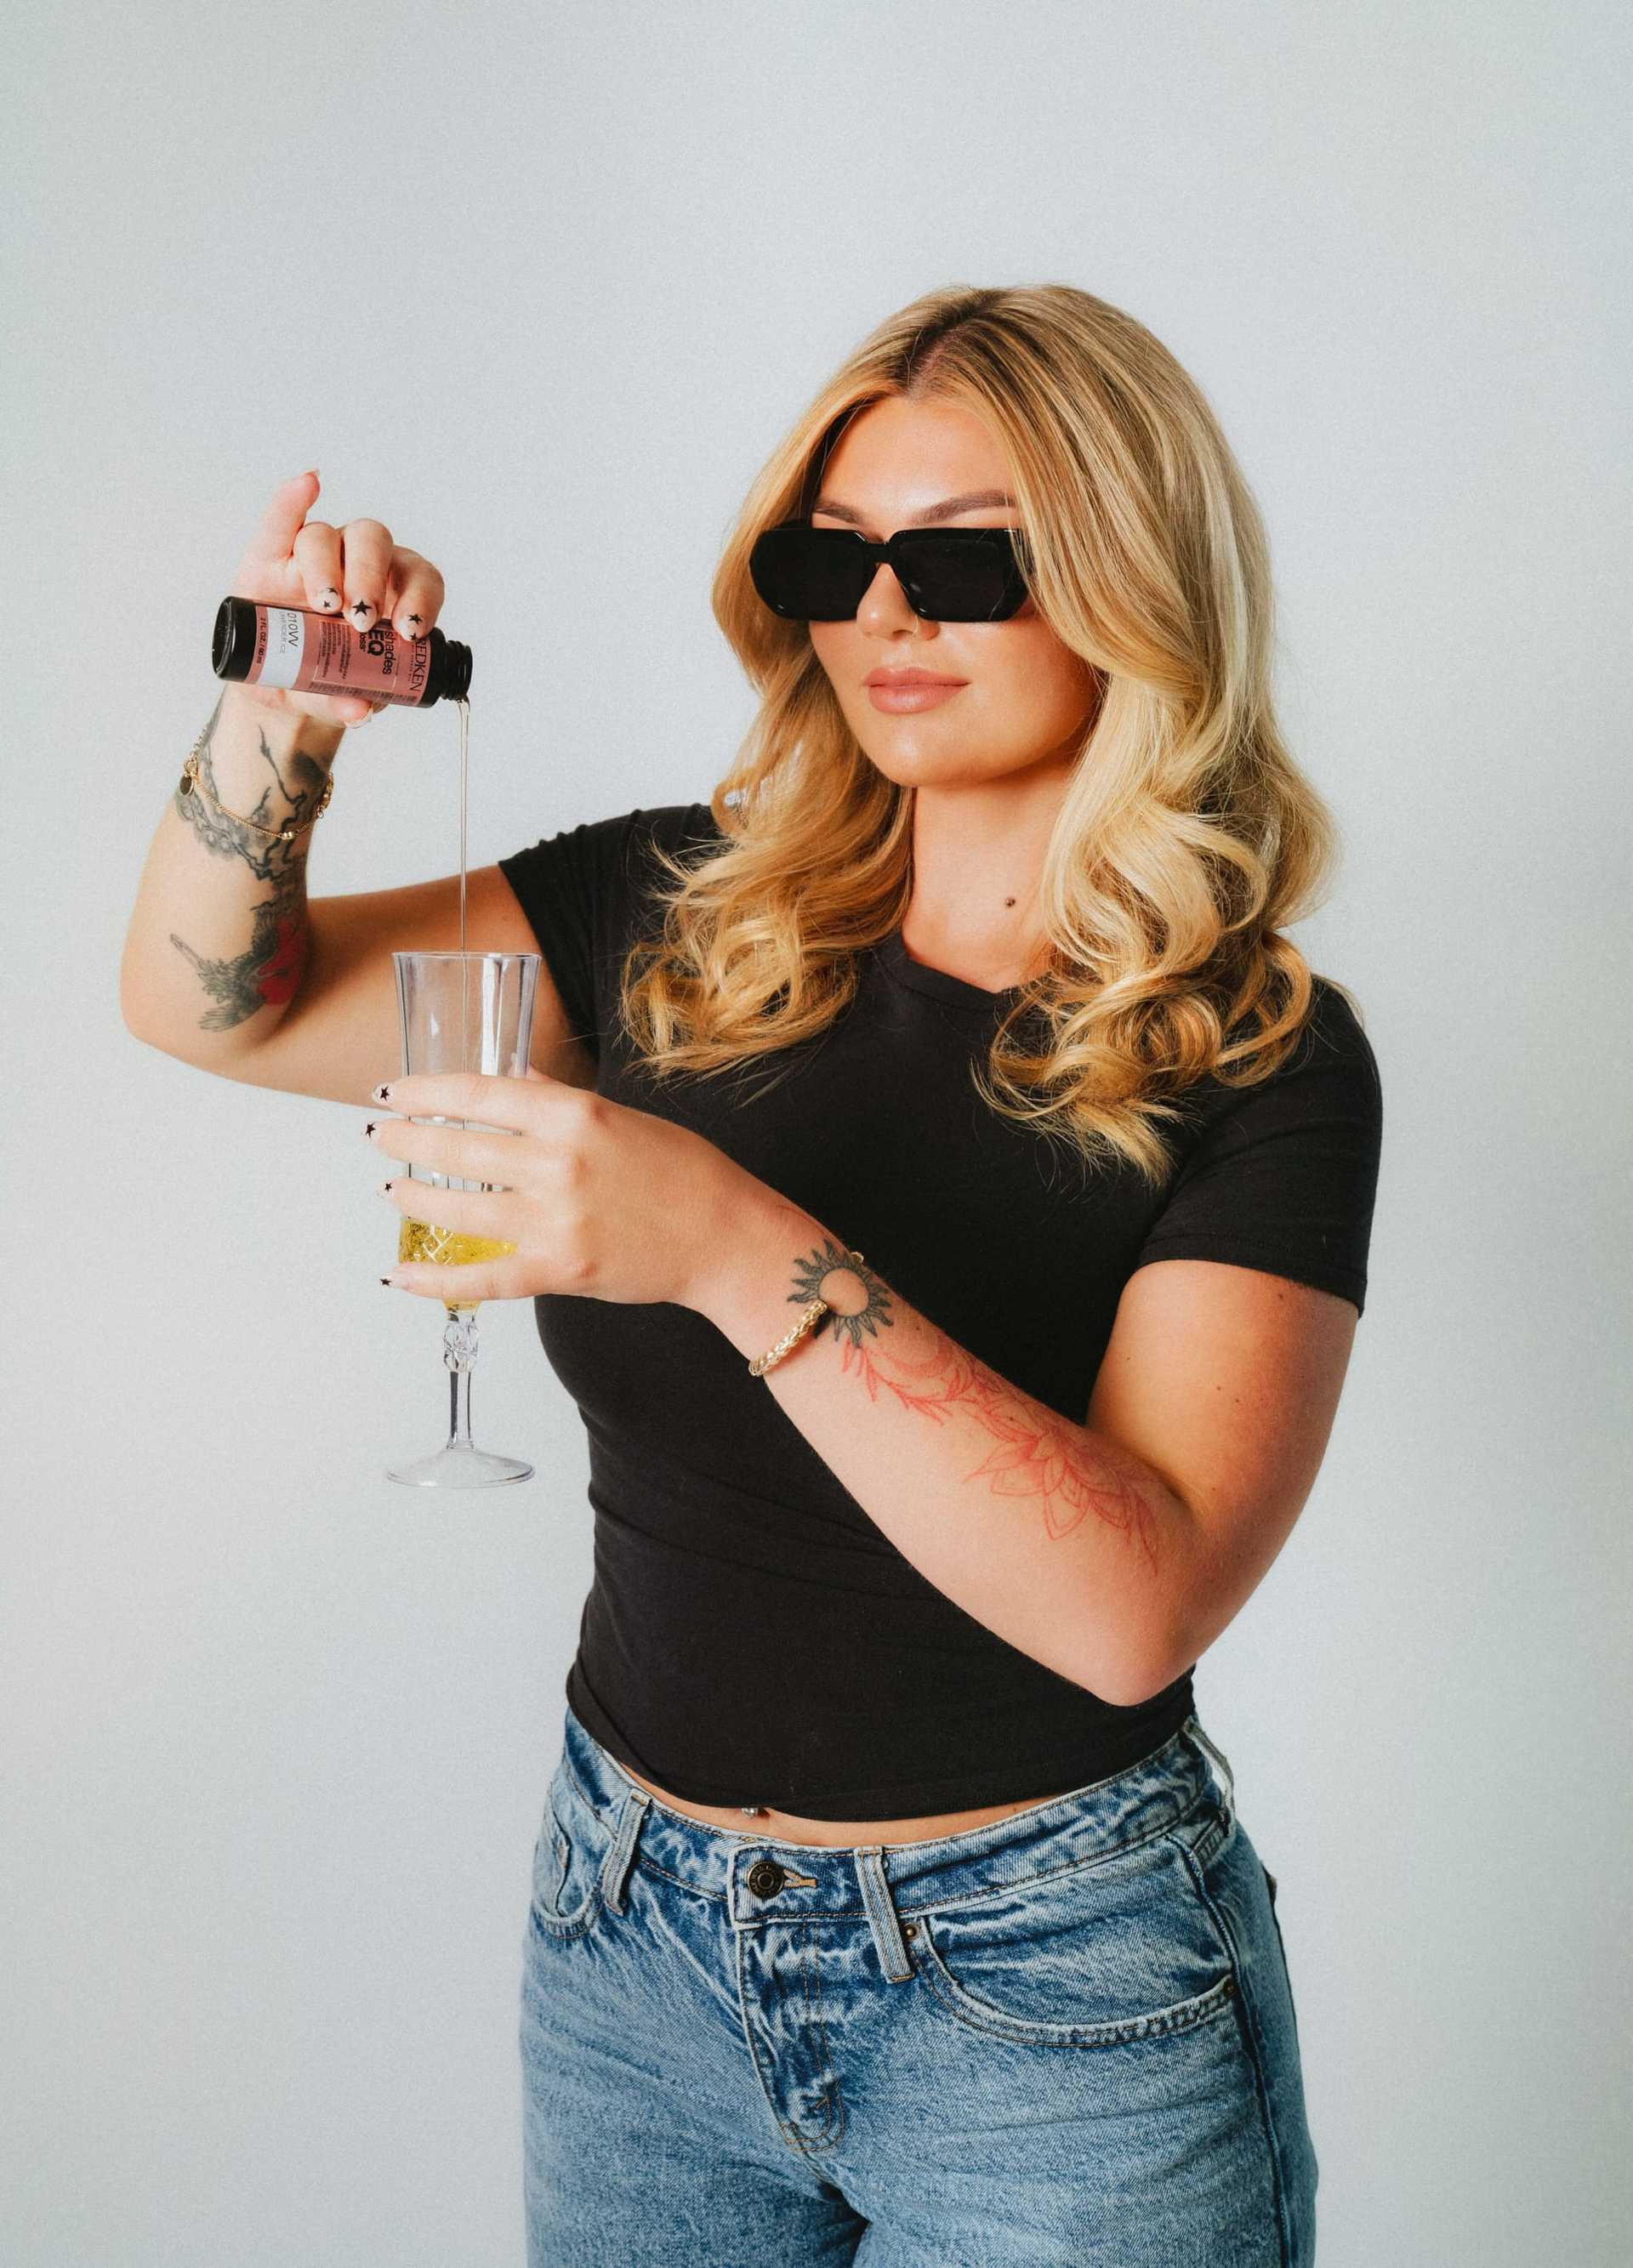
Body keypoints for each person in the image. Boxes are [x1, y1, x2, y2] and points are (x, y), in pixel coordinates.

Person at [122, 282, 1381, 2265]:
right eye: (833, 556)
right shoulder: (674, 908)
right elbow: (220, 1004)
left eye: (962, 556)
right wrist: (275, 723)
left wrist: (725, 1239)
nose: (885, 612)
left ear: (1134, 577)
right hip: (629, 1929)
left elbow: (1136, 1601)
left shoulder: (1262, 1049)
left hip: (1051, 1985)